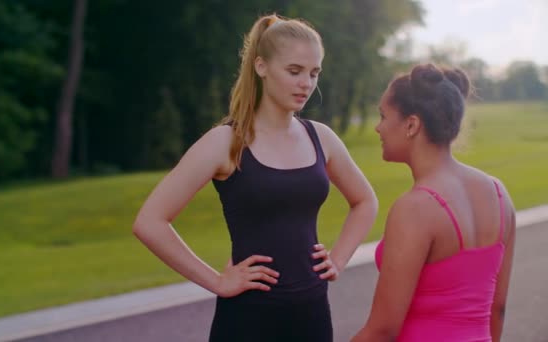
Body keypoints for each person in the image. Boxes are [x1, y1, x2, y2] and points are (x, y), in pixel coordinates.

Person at [132, 13, 378, 342]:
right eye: (294, 71)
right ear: (261, 67)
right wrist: (217, 281)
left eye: (314, 73)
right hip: (248, 320)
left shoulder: (321, 137)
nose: (306, 83)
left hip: (312, 315)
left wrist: (338, 259)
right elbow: (150, 222)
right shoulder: (225, 142)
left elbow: (365, 201)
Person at [351, 64, 516, 342]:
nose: (378, 127)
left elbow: (381, 332)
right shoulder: (500, 194)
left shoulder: (415, 208)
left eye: (383, 116)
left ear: (412, 125)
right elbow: (497, 310)